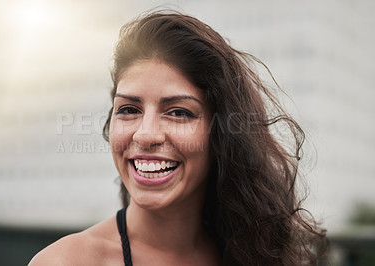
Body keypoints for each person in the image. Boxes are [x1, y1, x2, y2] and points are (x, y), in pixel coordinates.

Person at [29, 10, 327, 266]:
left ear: (221, 133)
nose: (145, 134)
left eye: (179, 113)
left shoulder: (254, 253)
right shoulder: (66, 262)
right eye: (129, 109)